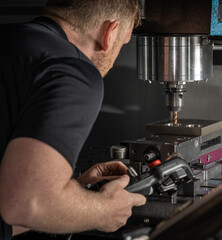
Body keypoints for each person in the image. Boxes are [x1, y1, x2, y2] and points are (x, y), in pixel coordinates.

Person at [0, 1, 146, 239]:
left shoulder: (10, 40)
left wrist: (72, 193)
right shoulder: (73, 70)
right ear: (110, 33)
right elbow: (25, 204)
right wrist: (105, 210)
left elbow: (10, 207)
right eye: (123, 42)